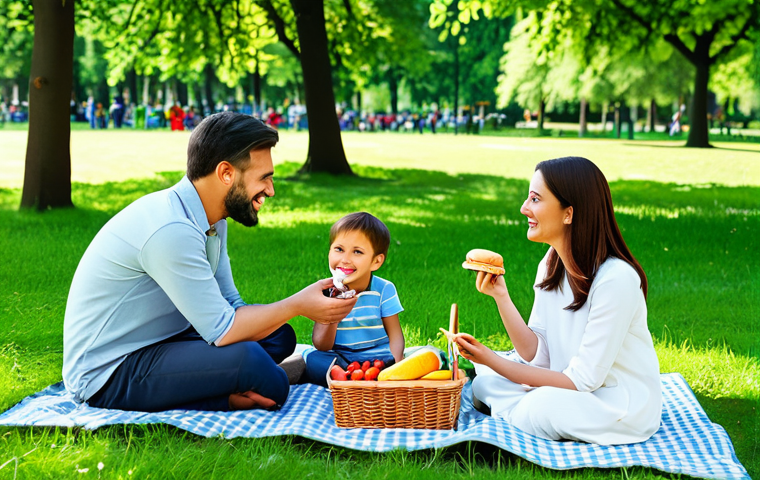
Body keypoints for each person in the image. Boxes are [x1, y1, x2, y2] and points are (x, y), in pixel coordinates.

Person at [63, 112, 357, 412]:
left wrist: (307, 306)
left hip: (162, 339)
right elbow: (223, 330)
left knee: (279, 337)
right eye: (264, 178)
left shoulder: (212, 220)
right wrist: (298, 305)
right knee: (261, 370)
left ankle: (226, 381)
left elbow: (231, 305)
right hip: (109, 371)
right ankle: (227, 393)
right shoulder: (172, 230)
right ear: (226, 173)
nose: (270, 190)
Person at [453, 156, 661, 445]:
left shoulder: (617, 280)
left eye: (536, 199)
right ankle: (514, 412)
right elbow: (536, 353)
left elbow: (583, 381)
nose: (525, 208)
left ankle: (511, 417)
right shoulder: (552, 262)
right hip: (567, 387)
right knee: (487, 382)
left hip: (616, 405)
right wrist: (500, 296)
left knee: (542, 405)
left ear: (569, 213)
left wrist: (494, 360)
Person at [301, 212, 405, 387]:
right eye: (339, 249)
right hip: (340, 358)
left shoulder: (384, 290)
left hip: (377, 359)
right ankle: (351, 380)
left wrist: (394, 366)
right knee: (314, 359)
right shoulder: (324, 291)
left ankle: (359, 381)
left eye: (357, 252)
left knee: (411, 357)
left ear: (376, 262)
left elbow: (395, 335)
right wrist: (333, 307)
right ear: (329, 252)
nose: (345, 259)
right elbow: (322, 345)